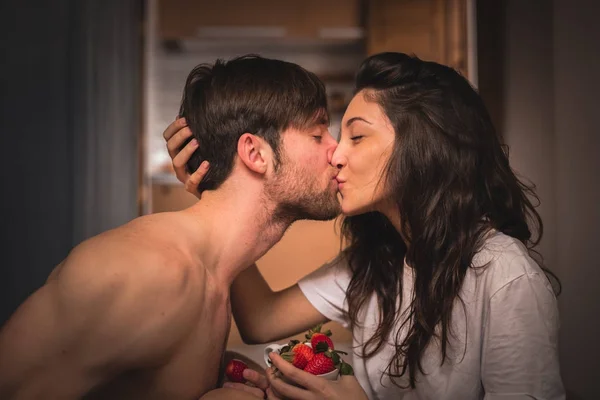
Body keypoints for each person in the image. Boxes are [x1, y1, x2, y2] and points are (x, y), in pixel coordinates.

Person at [166, 52, 565, 400]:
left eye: (356, 136)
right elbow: (261, 319)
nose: (336, 153)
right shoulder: (375, 262)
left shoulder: (504, 276)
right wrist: (218, 190)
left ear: (423, 145)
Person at [0, 55, 343, 400]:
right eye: (318, 134)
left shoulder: (215, 277)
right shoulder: (140, 273)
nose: (337, 150)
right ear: (255, 153)